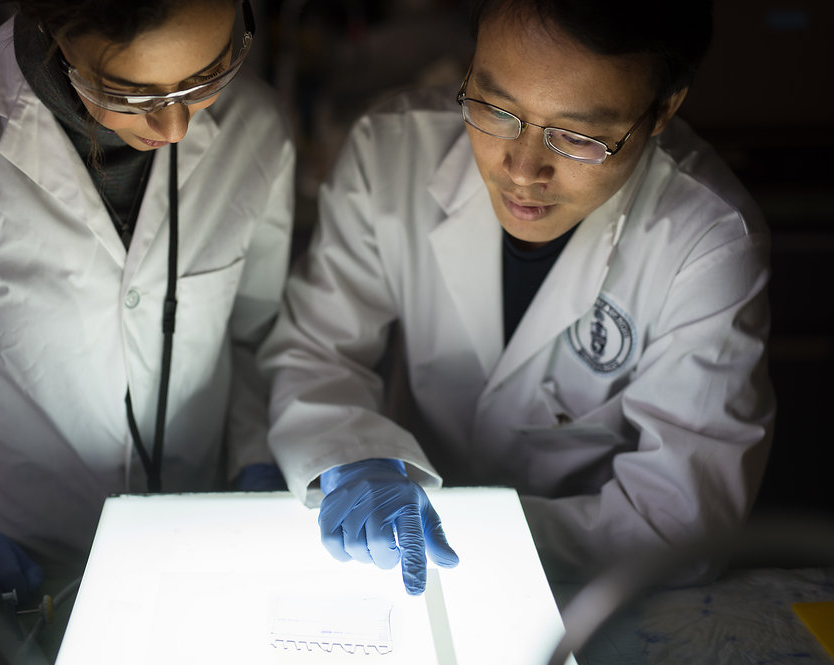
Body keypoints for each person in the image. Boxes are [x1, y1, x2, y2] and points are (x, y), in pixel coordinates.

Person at [260, 0, 774, 594]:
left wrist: (460, 531)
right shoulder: (392, 151)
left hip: (588, 588)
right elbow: (317, 351)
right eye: (496, 109)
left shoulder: (707, 240)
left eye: (579, 136)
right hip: (392, 571)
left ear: (663, 110)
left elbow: (678, 519)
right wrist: (357, 461)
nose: (523, 169)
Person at [0, 0, 293, 600]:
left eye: (209, 77)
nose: (176, 129)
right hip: (23, 559)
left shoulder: (260, 127)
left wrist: (256, 453)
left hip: (206, 535)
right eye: (127, 93)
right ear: (55, 33)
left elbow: (254, 333)